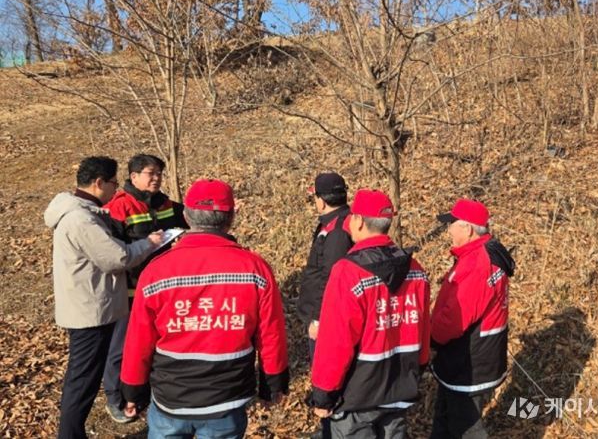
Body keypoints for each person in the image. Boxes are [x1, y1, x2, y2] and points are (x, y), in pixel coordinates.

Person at [120, 179, 289, 439]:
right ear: (231, 218)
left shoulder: (157, 270)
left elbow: (139, 339)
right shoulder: (254, 268)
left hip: (171, 396)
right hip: (227, 398)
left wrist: (133, 390)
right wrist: (273, 382)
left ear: (187, 217)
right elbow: (271, 333)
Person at [44, 156, 163, 439]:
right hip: (89, 312)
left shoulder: (81, 211)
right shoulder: (81, 219)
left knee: (83, 378)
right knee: (82, 381)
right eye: (112, 182)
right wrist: (149, 243)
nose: (115, 188)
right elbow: (118, 258)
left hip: (88, 305)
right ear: (98, 182)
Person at [311, 189, 431, 439]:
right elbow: (422, 327)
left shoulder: (348, 272)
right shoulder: (415, 270)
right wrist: (418, 367)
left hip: (358, 394)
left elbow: (336, 340)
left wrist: (323, 394)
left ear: (358, 221)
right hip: (400, 386)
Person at [101, 153, 187, 423]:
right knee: (121, 348)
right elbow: (113, 252)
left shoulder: (166, 204)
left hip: (163, 290)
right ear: (134, 176)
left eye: (159, 173)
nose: (156, 178)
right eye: (151, 173)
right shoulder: (119, 207)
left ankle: (143, 395)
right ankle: (115, 397)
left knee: (154, 345)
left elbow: (191, 220)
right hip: (129, 291)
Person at [430, 199, 515, 439]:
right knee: (445, 417)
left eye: (452, 224)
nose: (448, 230)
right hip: (473, 357)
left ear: (467, 228)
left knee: (466, 427)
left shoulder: (477, 264)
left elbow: (454, 319)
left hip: (469, 361)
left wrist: (431, 338)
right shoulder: (484, 254)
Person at [297, 173, 354, 435]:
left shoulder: (338, 230)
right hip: (322, 314)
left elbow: (331, 277)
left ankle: (333, 426)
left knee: (328, 372)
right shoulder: (333, 223)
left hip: (326, 319)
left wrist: (319, 318)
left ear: (321, 200)